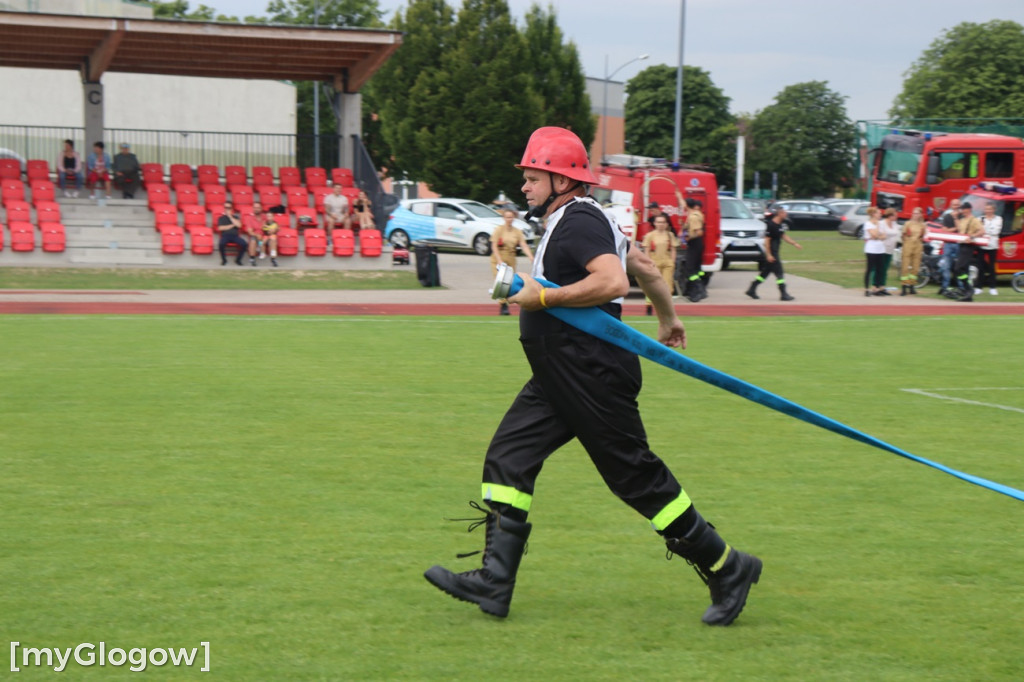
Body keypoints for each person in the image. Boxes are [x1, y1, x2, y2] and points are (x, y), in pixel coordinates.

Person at [424, 126, 761, 627]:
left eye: (532, 176)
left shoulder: (578, 219)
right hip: (560, 371)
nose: (524, 186)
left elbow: (613, 280)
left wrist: (542, 297)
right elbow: (644, 266)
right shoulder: (585, 219)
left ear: (561, 180)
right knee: (510, 456)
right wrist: (669, 318)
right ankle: (495, 582)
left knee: (634, 477)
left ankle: (726, 566)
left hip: (590, 371)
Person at [744, 207, 802, 301]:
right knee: (780, 274)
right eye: (784, 213)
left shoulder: (780, 225)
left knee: (764, 274)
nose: (786, 215)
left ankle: (752, 289)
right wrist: (769, 255)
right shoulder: (771, 225)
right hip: (772, 253)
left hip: (774, 253)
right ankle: (783, 294)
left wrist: (794, 243)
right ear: (779, 214)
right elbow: (766, 241)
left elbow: (784, 236)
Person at [489, 209, 534, 315]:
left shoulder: (517, 231)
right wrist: (499, 260)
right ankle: (503, 305)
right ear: (504, 218)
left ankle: (506, 302)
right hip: (498, 257)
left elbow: (523, 244)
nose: (509, 219)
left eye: (511, 217)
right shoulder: (499, 230)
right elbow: (494, 245)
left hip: (511, 257)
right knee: (500, 281)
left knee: (508, 282)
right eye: (507, 217)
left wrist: (531, 257)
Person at [641, 213, 680, 314]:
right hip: (654, 263)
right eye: (658, 222)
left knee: (668, 286)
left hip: (667, 263)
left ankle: (666, 308)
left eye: (663, 222)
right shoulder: (650, 235)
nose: (661, 224)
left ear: (667, 224)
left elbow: (673, 249)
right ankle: (649, 306)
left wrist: (672, 262)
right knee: (653, 286)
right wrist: (648, 263)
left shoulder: (670, 235)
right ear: (654, 223)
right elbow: (647, 250)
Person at [953, 201, 985, 302]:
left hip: (968, 246)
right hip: (962, 245)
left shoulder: (974, 220)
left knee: (958, 268)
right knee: (964, 269)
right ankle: (968, 294)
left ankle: (968, 288)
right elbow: (959, 230)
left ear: (969, 209)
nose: (962, 210)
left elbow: (982, 231)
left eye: (964, 209)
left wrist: (972, 236)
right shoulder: (963, 219)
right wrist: (955, 218)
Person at [681, 198, 708, 302]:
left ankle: (699, 291)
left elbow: (699, 232)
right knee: (696, 269)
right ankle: (692, 291)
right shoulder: (694, 214)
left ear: (687, 206)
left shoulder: (693, 217)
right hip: (696, 244)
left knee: (690, 269)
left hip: (695, 244)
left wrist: (688, 237)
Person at [899, 207, 927, 295]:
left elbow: (923, 236)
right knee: (905, 266)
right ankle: (904, 286)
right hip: (908, 245)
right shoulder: (908, 223)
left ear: (920, 215)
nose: (915, 215)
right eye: (914, 213)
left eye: (917, 213)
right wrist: (906, 242)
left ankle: (912, 285)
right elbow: (903, 235)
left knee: (915, 267)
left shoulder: (923, 225)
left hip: (918, 246)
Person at [936, 198, 961, 295]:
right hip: (948, 244)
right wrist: (954, 229)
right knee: (946, 266)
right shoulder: (946, 216)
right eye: (954, 205)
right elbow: (944, 230)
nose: (956, 207)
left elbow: (961, 229)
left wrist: (955, 219)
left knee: (958, 267)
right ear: (951, 206)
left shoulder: (962, 216)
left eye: (958, 205)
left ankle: (960, 287)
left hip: (959, 244)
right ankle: (944, 287)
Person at [861, 206, 887, 297]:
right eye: (879, 213)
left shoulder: (881, 223)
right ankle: (866, 289)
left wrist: (878, 235)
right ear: (873, 214)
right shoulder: (868, 224)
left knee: (880, 268)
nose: (880, 214)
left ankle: (876, 288)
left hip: (880, 249)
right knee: (869, 268)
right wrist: (876, 229)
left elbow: (884, 236)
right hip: (871, 249)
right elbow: (874, 235)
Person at [978, 202, 1002, 296]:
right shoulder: (980, 219)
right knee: (981, 266)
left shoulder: (999, 219)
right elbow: (979, 230)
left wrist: (985, 231)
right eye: (986, 209)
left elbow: (996, 231)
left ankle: (992, 287)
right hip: (982, 245)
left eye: (990, 209)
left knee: (992, 267)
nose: (988, 211)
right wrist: (985, 231)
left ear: (993, 210)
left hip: (992, 245)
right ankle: (979, 287)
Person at [216, 201, 248, 266]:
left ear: (231, 209)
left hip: (235, 236)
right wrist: (232, 225)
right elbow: (220, 228)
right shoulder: (221, 218)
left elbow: (239, 226)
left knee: (244, 244)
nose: (227, 209)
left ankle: (238, 260)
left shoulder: (236, 217)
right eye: (226, 207)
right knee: (221, 244)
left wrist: (230, 217)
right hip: (225, 235)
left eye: (229, 208)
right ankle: (224, 260)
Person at [877, 208, 901, 293]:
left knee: (885, 268)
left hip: (890, 248)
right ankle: (876, 286)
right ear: (890, 216)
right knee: (880, 268)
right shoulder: (882, 223)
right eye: (895, 215)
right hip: (882, 248)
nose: (896, 217)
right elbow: (880, 234)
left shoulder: (895, 224)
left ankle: (882, 286)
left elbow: (898, 231)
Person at [243, 201, 265, 266]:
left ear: (261, 209)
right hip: (255, 236)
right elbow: (250, 231)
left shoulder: (265, 217)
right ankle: (252, 258)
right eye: (255, 207)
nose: (256, 209)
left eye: (258, 207)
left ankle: (273, 258)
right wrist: (257, 235)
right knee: (253, 240)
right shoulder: (250, 218)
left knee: (273, 239)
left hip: (264, 236)